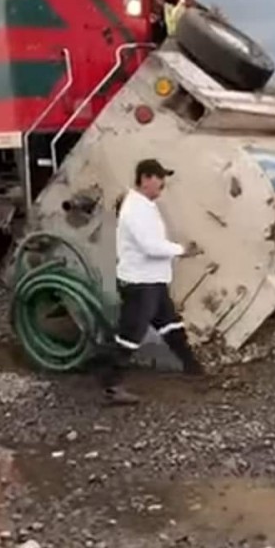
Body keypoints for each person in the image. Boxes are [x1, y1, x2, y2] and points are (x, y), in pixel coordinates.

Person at [100, 159, 203, 405]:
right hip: (139, 282)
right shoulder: (135, 208)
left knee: (170, 324)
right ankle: (111, 385)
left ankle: (193, 368)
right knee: (131, 334)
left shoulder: (145, 205)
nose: (163, 184)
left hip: (153, 281)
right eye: (159, 178)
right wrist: (182, 250)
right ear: (146, 179)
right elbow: (149, 246)